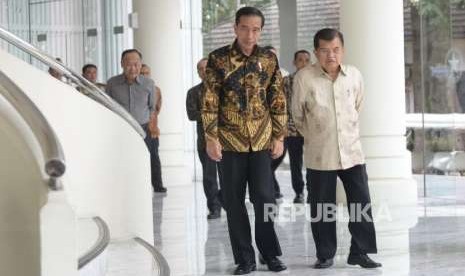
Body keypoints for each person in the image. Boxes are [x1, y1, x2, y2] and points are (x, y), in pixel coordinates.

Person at [201, 6, 287, 275]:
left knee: (265, 198)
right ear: (235, 28)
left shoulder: (269, 60)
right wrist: (211, 137)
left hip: (261, 140)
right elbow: (210, 100)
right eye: (245, 28)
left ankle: (269, 254)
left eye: (256, 29)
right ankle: (244, 258)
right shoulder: (218, 59)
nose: (250, 35)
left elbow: (278, 99)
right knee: (234, 200)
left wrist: (279, 135)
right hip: (229, 141)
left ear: (261, 30)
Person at [292, 28, 381, 269]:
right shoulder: (304, 78)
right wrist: (317, 136)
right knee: (322, 206)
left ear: (343, 50)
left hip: (352, 152)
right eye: (324, 50)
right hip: (320, 154)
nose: (331, 55)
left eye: (336, 50)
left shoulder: (354, 75)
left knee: (360, 203)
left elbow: (357, 106)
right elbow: (297, 117)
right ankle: (325, 254)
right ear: (316, 52)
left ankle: (359, 252)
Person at [106, 49, 167, 193]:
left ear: (140, 65)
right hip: (121, 129)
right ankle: (125, 188)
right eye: (128, 64)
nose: (133, 68)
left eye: (136, 64)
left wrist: (152, 126)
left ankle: (149, 187)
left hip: (144, 128)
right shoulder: (112, 83)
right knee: (123, 159)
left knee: (148, 159)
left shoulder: (149, 84)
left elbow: (152, 107)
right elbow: (107, 105)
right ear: (121, 64)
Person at [186, 58, 222, 219]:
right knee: (209, 177)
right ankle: (214, 207)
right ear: (198, 73)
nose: (204, 71)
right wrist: (211, 113)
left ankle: (227, 202)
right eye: (201, 69)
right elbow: (192, 115)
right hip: (205, 141)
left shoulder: (225, 90)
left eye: (207, 68)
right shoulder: (193, 92)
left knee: (229, 175)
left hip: (227, 141)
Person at [284, 50, 311, 203]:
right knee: (296, 162)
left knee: (312, 161)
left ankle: (312, 190)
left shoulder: (315, 80)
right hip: (292, 129)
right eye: (300, 60)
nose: (304, 63)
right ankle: (299, 192)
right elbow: (283, 106)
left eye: (307, 60)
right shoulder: (287, 81)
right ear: (295, 62)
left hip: (312, 130)